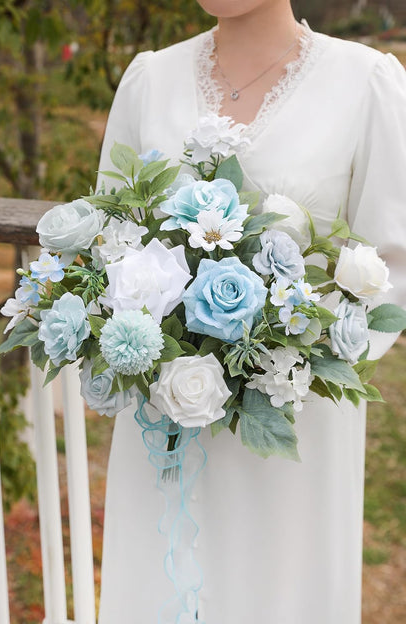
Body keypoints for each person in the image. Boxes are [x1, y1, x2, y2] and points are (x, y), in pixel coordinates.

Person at [96, 1, 406, 622]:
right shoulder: (149, 79)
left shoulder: (366, 82)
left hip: (293, 418)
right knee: (161, 579)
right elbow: (110, 238)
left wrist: (290, 353)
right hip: (164, 414)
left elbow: (391, 265)